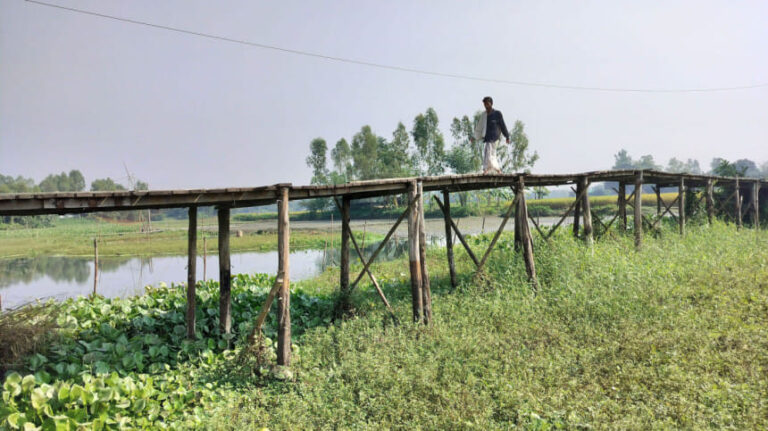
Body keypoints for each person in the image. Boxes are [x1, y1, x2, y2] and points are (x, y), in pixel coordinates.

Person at [473, 96, 510, 174]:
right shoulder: (484, 115)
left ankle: (487, 169)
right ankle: (496, 169)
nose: (486, 105)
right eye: (485, 104)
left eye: (487, 103)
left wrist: (507, 136)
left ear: (491, 104)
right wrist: (474, 137)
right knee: (490, 153)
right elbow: (479, 126)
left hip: (495, 136)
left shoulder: (497, 114)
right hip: (487, 137)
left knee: (489, 152)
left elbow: (502, 125)